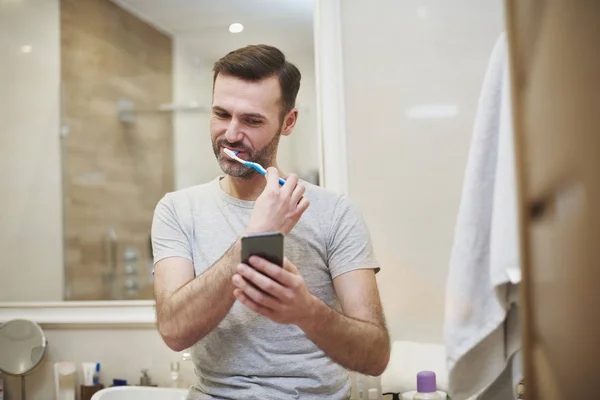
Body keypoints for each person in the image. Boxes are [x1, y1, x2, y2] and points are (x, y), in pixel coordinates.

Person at [151, 44, 390, 400]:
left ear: (288, 122)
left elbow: (375, 356)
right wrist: (256, 236)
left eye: (251, 120)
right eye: (221, 114)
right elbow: (174, 331)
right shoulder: (177, 210)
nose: (230, 134)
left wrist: (307, 311)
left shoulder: (335, 212)